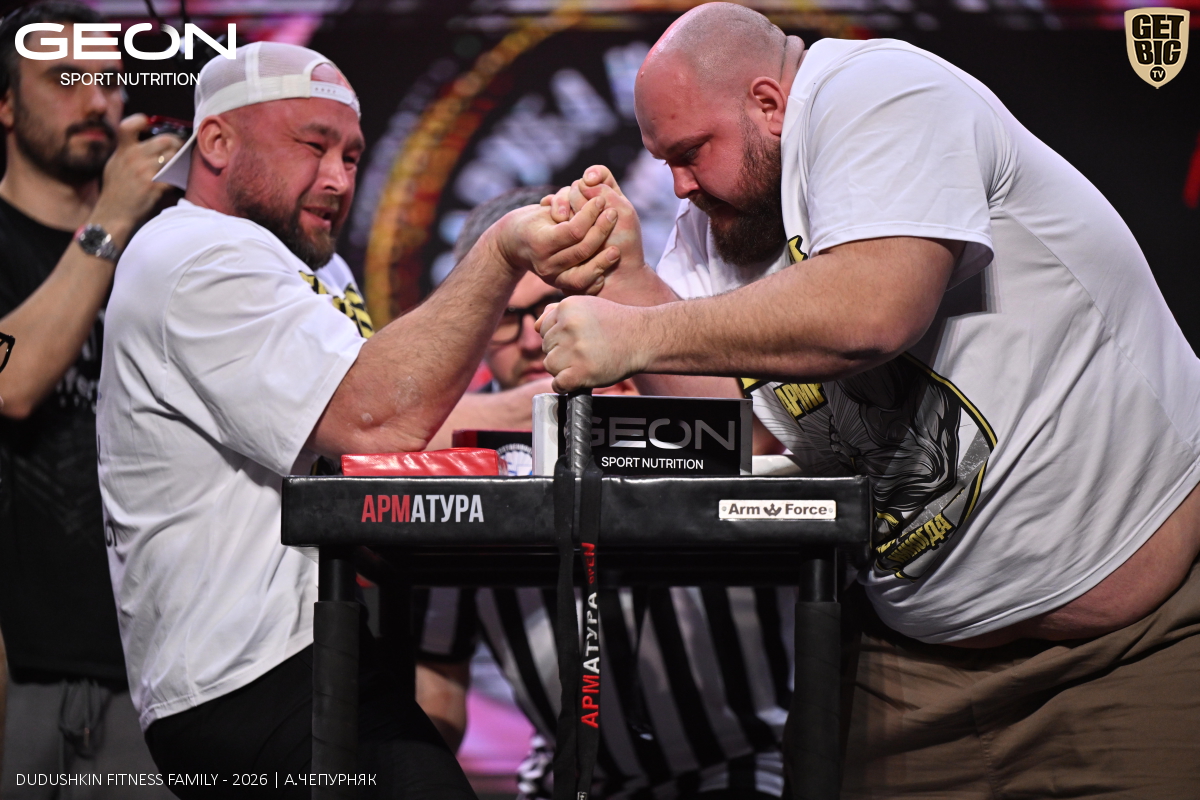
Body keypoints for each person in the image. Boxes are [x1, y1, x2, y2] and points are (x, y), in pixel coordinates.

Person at [534, 3, 1200, 796]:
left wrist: (639, 335)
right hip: (912, 668)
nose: (679, 185)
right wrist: (630, 281)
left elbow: (874, 311)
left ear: (768, 103)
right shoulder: (716, 229)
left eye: (691, 152)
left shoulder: (881, 89)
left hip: (1132, 647)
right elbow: (744, 439)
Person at [95, 40, 618, 796]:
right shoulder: (197, 256)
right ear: (216, 142)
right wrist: (501, 253)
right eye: (313, 147)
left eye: (351, 155)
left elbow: (377, 442)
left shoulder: (306, 261)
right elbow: (376, 422)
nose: (339, 178)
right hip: (244, 678)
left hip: (313, 648)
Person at [415, 186, 792, 800]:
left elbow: (763, 439)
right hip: (565, 778)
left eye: (553, 306)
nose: (534, 338)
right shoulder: (466, 461)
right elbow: (438, 677)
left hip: (744, 765)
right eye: (506, 318)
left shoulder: (680, 400)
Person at [0, 3, 181, 794]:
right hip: (21, 674)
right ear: (6, 105)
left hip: (158, 673)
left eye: (109, 81)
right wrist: (109, 221)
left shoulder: (170, 248)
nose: (97, 101)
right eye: (66, 79)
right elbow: (10, 383)